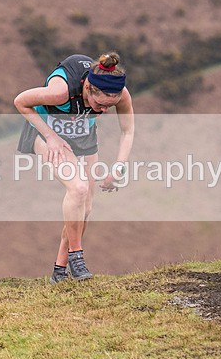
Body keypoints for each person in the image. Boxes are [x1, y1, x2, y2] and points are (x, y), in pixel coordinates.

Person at [14, 52, 134, 284]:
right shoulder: (61, 92)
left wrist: (118, 168)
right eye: (100, 105)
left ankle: (60, 270)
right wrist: (51, 137)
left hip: (81, 134)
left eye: (110, 106)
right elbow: (20, 102)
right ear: (88, 88)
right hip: (45, 131)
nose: (103, 111)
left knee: (85, 208)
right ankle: (77, 257)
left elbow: (127, 130)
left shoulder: (119, 93)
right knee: (78, 189)